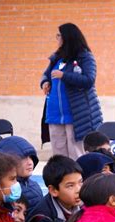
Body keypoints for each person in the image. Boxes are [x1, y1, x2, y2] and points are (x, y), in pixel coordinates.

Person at [40, 22, 103, 160]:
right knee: (59, 154)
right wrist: (45, 82)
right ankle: (61, 180)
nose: (57, 39)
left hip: (76, 114)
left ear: (67, 37)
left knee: (76, 153)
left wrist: (64, 76)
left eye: (59, 35)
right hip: (55, 113)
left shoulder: (84, 57)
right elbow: (46, 74)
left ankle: (78, 181)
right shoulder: (57, 57)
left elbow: (88, 80)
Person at [0, 136, 43, 208]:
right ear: (8, 163)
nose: (30, 162)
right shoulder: (8, 192)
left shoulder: (34, 186)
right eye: (23, 158)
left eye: (30, 157)